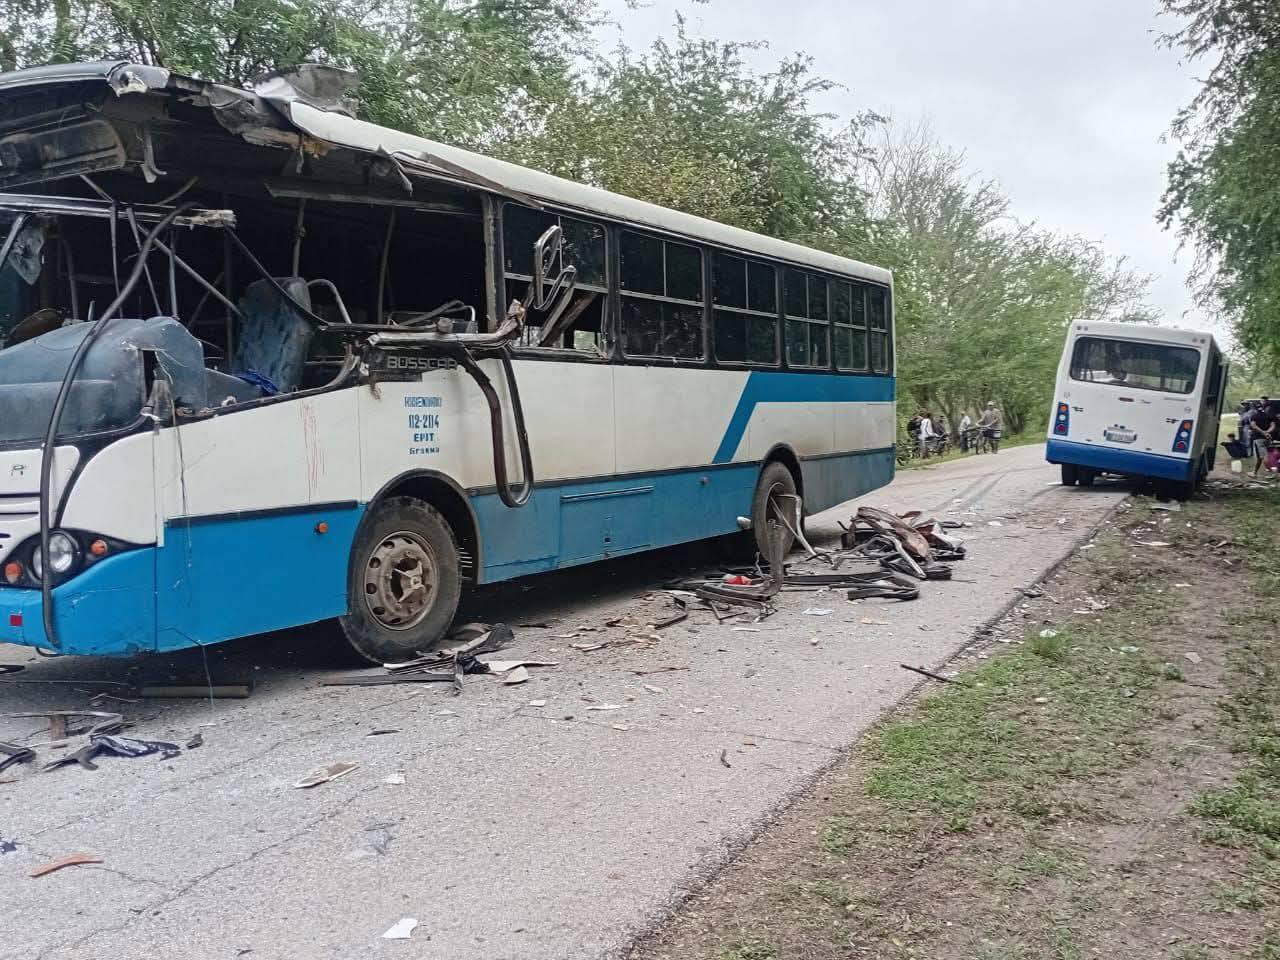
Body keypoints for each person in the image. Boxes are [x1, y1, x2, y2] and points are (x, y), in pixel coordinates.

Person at [1251, 400, 1276, 477]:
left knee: (1264, 456)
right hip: (1267, 439)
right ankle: (1254, 472)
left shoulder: (1254, 416)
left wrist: (1263, 432)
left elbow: (1254, 426)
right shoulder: (1268, 416)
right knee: (1260, 457)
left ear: (1255, 409)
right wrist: (1267, 432)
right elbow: (1273, 426)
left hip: (1258, 439)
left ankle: (1273, 473)